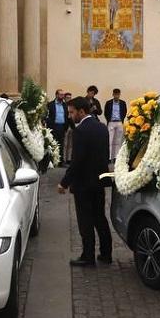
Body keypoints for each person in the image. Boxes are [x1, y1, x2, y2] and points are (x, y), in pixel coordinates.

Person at [58, 97, 112, 267]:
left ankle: (87, 257)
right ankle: (106, 254)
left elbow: (77, 161)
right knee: (100, 219)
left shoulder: (80, 131)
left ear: (81, 112)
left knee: (85, 222)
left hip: (83, 184)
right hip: (99, 182)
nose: (69, 116)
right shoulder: (102, 128)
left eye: (71, 112)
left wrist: (64, 182)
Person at [104, 88, 127, 161]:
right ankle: (109, 157)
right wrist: (109, 120)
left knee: (118, 140)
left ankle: (116, 157)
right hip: (111, 122)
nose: (116, 96)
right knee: (110, 140)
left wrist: (122, 119)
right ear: (113, 94)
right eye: (115, 94)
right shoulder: (109, 103)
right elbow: (106, 113)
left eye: (118, 94)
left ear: (119, 95)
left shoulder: (123, 103)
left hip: (119, 122)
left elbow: (124, 112)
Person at [45, 89, 68, 157]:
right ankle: (52, 160)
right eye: (61, 95)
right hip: (53, 127)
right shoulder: (50, 104)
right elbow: (46, 115)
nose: (62, 96)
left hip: (62, 127)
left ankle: (60, 161)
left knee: (61, 144)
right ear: (57, 95)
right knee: (52, 143)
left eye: (63, 95)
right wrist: (49, 124)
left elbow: (67, 116)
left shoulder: (65, 105)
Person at [62, 92, 75, 165]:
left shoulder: (72, 106)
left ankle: (69, 159)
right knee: (65, 144)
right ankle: (64, 159)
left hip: (71, 126)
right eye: (67, 98)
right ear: (64, 98)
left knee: (70, 144)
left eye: (70, 97)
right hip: (65, 126)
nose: (69, 99)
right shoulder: (63, 106)